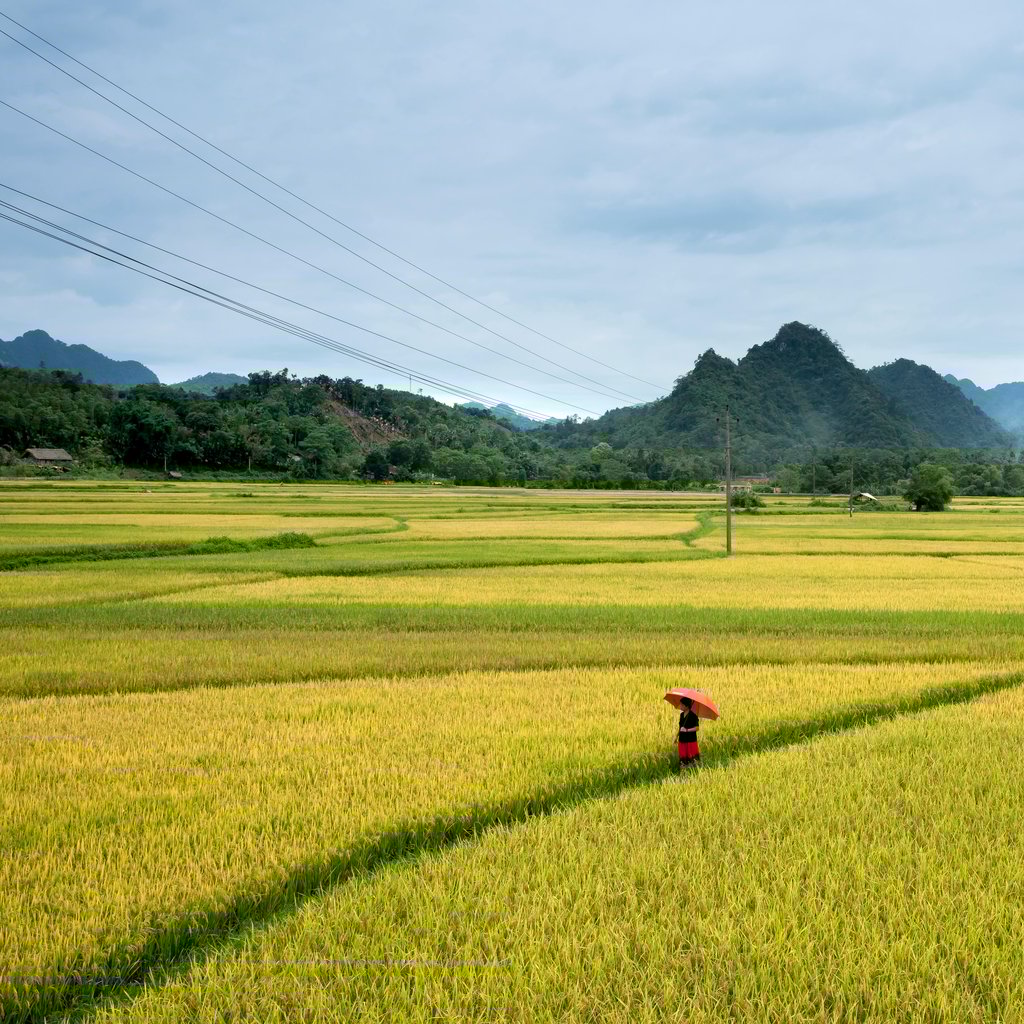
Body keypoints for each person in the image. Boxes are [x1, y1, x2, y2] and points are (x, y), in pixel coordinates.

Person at [678, 697, 700, 769]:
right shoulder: (681, 715)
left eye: (682, 705)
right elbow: (680, 727)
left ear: (686, 706)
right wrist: (676, 737)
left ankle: (692, 772)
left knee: (692, 759)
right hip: (682, 740)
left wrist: (687, 730)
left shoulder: (693, 715)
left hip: (691, 740)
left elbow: (697, 728)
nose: (680, 706)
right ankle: (683, 771)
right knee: (683, 758)